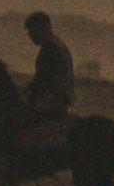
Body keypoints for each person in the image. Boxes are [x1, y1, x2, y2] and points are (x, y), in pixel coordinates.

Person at [8, 10, 75, 156]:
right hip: (60, 97)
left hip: (53, 100)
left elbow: (43, 80)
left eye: (32, 31)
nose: (30, 36)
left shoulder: (50, 49)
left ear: (43, 28)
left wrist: (26, 93)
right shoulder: (57, 44)